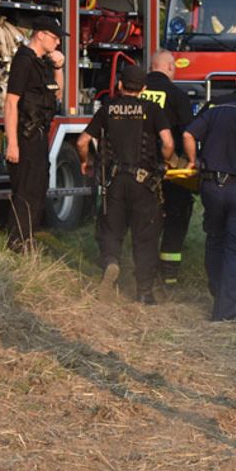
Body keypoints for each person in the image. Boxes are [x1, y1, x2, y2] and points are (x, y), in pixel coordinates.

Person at [77, 65, 174, 304]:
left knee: (110, 229)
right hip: (144, 183)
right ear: (143, 88)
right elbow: (168, 142)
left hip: (114, 181)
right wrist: (167, 161)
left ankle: (111, 261)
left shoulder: (107, 109)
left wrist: (85, 161)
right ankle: (144, 292)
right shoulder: (153, 109)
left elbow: (82, 141)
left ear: (120, 85)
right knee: (145, 236)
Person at [183, 68, 236, 321]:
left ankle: (217, 289)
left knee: (214, 239)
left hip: (211, 185)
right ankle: (226, 312)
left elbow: (188, 134)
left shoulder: (216, 111)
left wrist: (192, 160)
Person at [4, 15, 66, 252]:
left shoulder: (43, 63)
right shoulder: (24, 61)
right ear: (40, 35)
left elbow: (57, 95)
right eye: (55, 38)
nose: (57, 43)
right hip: (25, 134)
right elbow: (11, 103)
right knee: (26, 190)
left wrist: (59, 67)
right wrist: (13, 144)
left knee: (38, 188)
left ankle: (27, 238)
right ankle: (17, 242)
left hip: (39, 134)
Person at [141, 50, 195, 285]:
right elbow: (188, 133)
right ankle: (169, 274)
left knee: (145, 219)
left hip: (136, 167)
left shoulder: (134, 91)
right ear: (171, 68)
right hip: (170, 168)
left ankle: (144, 272)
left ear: (152, 67)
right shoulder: (177, 95)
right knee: (176, 214)